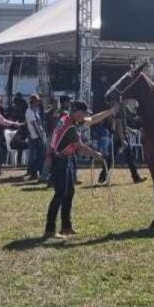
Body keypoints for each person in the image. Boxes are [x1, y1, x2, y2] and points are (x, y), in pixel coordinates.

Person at [43, 101, 114, 239]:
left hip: (66, 159)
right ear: (77, 112)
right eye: (84, 113)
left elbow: (93, 119)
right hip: (60, 161)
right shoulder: (70, 127)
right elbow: (80, 147)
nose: (85, 116)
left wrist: (110, 111)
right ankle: (49, 229)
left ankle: (66, 226)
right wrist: (97, 155)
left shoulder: (67, 119)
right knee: (60, 194)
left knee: (69, 192)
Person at [100, 96, 144, 184]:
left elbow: (123, 125)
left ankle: (102, 177)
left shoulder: (121, 109)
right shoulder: (120, 109)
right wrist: (123, 139)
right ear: (123, 100)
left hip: (119, 136)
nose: (128, 102)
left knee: (111, 158)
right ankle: (136, 177)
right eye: (127, 100)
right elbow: (119, 125)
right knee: (129, 157)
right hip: (120, 137)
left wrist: (131, 130)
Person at [24, 94, 47, 181]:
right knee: (35, 156)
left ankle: (39, 172)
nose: (38, 102)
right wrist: (40, 135)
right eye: (37, 101)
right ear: (33, 101)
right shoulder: (29, 111)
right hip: (34, 136)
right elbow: (34, 125)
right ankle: (33, 173)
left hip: (38, 135)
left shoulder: (35, 111)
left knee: (40, 155)